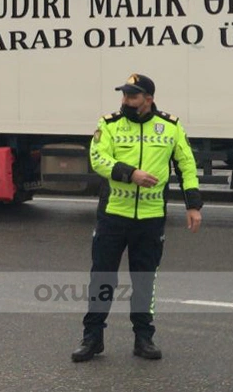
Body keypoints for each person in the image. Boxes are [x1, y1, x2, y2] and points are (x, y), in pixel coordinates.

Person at [71, 73, 202, 362]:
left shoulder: (170, 126)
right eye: (124, 95)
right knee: (102, 277)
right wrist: (130, 173)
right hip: (113, 216)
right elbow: (98, 160)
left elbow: (186, 165)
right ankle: (92, 337)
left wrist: (193, 205)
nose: (126, 100)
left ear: (149, 99)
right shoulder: (109, 124)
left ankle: (144, 338)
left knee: (144, 279)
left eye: (132, 95)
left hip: (151, 217)